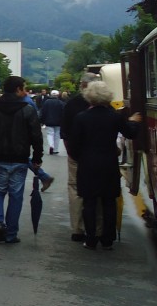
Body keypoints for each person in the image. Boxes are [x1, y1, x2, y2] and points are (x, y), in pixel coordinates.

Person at [66, 81, 141, 250]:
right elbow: (130, 133)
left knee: (89, 202)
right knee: (109, 201)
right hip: (108, 162)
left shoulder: (81, 118)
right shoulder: (114, 116)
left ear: (89, 97)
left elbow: (74, 145)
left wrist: (82, 157)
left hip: (87, 164)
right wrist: (133, 121)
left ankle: (91, 238)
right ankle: (108, 238)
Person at [0, 75, 43, 244]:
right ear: (17, 89)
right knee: (16, 196)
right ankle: (11, 233)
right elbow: (36, 136)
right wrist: (37, 158)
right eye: (24, 88)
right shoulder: (27, 110)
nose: (26, 91)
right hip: (20, 159)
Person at [61, 73, 95, 241]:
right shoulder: (105, 106)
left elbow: (65, 131)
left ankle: (77, 228)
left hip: (76, 153)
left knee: (75, 188)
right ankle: (98, 228)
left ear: (82, 85)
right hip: (99, 155)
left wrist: (70, 151)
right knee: (98, 190)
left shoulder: (72, 104)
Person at [39, 89, 65, 155]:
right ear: (58, 95)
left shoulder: (46, 102)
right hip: (58, 122)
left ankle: (51, 145)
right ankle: (55, 149)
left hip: (48, 121)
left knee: (50, 134)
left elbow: (43, 112)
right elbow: (63, 113)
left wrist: (42, 121)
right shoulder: (61, 103)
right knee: (57, 135)